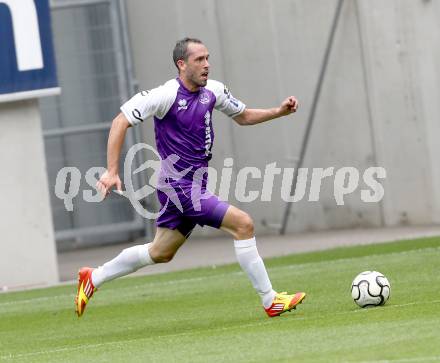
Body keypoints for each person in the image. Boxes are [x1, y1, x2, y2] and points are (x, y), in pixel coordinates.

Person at [75, 37, 305, 318]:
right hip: (179, 186)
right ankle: (271, 301)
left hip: (194, 184)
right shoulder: (165, 95)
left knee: (160, 252)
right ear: (181, 64)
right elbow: (120, 121)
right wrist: (112, 171)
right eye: (199, 60)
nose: (206, 65)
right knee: (243, 224)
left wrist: (279, 111)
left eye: (208, 58)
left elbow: (243, 116)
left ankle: (93, 278)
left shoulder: (213, 91)